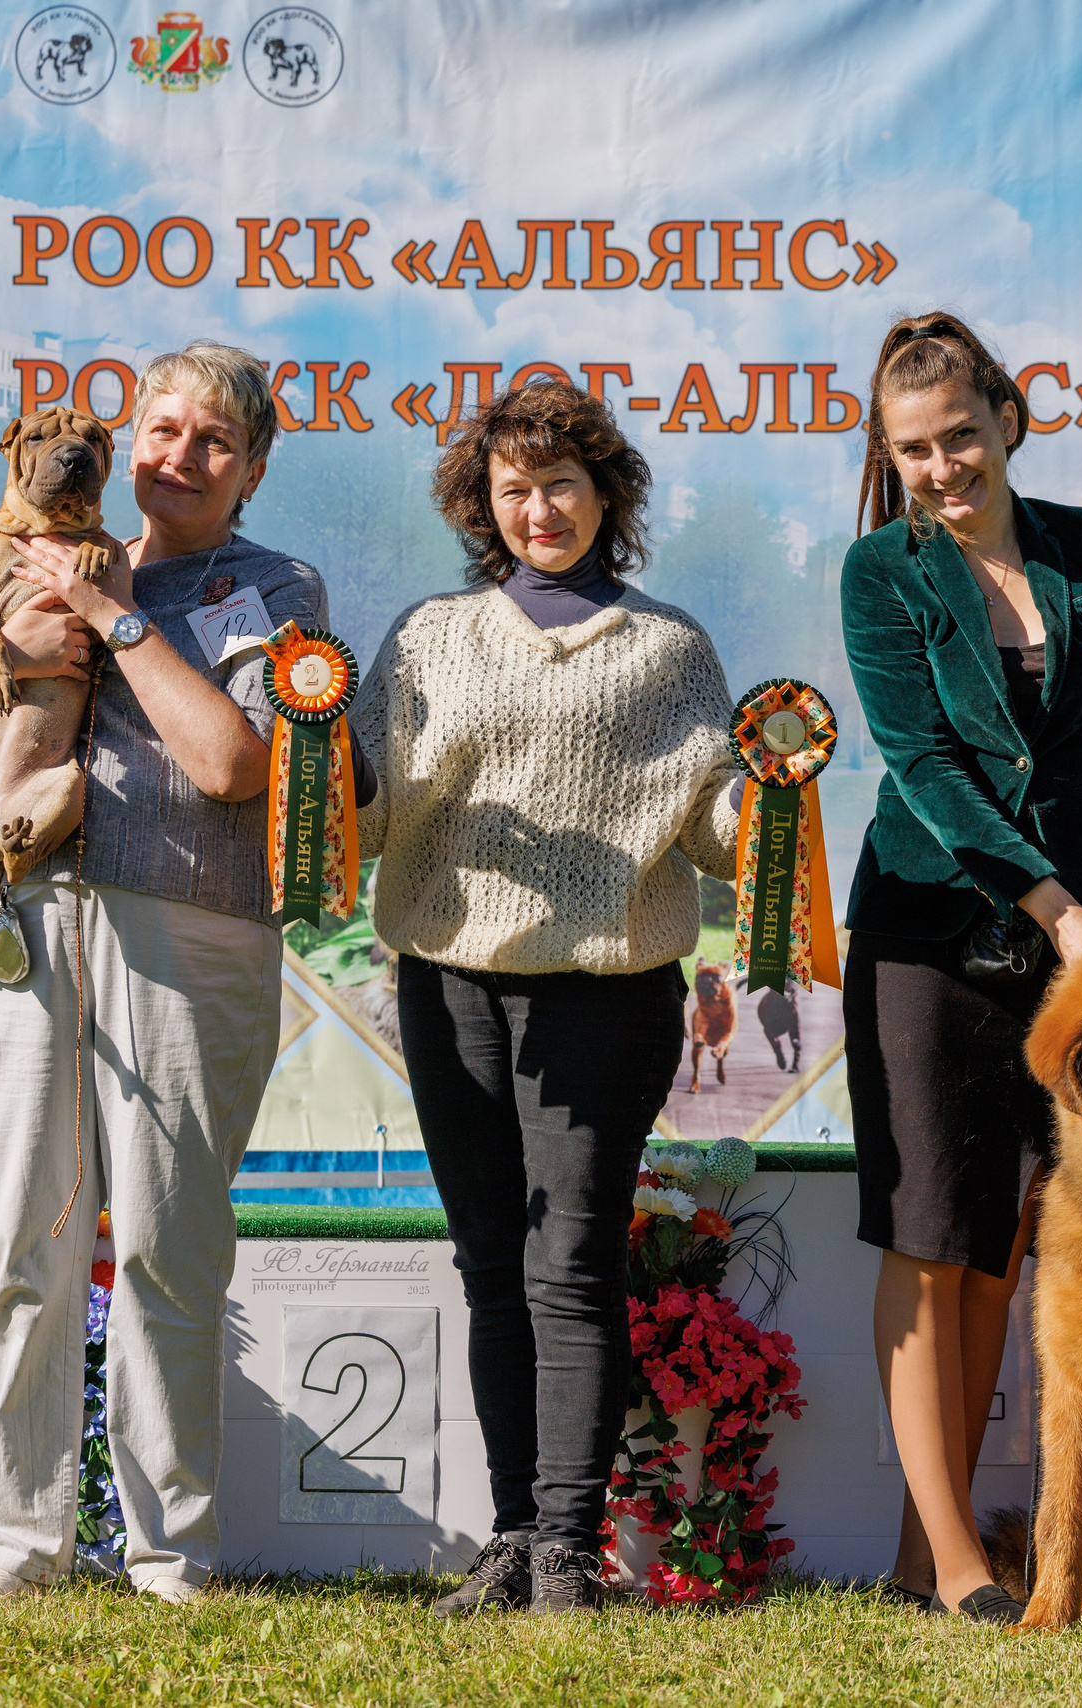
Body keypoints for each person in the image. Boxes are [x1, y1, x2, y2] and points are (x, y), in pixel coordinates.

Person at [0, 340, 330, 1603]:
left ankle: (168, 1552)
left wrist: (111, 619)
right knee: (22, 1234)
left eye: (212, 440)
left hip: (192, 932)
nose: (176, 455)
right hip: (30, 919)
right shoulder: (36, 549)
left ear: (249, 469)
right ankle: (22, 1541)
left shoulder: (274, 586)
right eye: (162, 427)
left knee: (164, 1247)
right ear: (124, 440)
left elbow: (232, 767)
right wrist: (11, 645)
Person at [347, 378, 740, 1616]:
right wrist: (309, 762)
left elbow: (722, 828)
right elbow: (362, 817)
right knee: (486, 1264)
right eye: (511, 489)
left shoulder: (669, 649)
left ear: (606, 491)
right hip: (448, 981)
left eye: (560, 483)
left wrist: (771, 800)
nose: (537, 509)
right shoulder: (424, 637)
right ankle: (511, 1536)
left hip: (606, 993)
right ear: (483, 503)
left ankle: (570, 1548)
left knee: (569, 1261)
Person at [839, 310, 1082, 1623]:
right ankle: (958, 1562)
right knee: (929, 1230)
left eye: (962, 438)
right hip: (931, 934)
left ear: (1009, 420)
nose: (944, 469)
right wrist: (1059, 914)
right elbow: (928, 774)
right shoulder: (881, 574)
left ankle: (910, 1558)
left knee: (1002, 1245)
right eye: (916, 451)